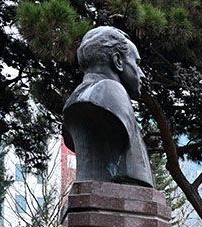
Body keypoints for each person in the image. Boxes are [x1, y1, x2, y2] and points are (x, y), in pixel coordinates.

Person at [63, 26, 155, 187]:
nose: (142, 74)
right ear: (118, 60)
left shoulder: (77, 97)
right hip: (119, 200)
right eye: (136, 63)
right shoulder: (109, 92)